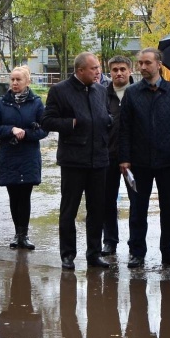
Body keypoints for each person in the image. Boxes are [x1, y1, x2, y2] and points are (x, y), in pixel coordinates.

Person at [119, 47, 170, 268]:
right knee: (138, 208)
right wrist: (124, 158)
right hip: (139, 162)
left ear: (159, 64)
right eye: (140, 63)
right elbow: (124, 128)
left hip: (166, 160)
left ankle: (168, 251)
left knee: (167, 208)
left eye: (147, 63)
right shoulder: (132, 93)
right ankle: (137, 252)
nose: (143, 67)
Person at [41, 52, 112, 271]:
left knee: (97, 209)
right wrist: (71, 123)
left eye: (98, 68)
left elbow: (107, 114)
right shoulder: (60, 90)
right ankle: (68, 255)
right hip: (73, 160)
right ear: (80, 71)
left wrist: (107, 120)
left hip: (99, 158)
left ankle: (94, 254)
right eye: (94, 68)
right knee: (69, 209)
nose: (98, 71)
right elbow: (46, 120)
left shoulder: (101, 90)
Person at [0, 66, 48, 249]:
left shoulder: (36, 103)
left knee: (25, 195)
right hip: (9, 155)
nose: (15, 83)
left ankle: (24, 234)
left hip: (28, 155)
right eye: (12, 80)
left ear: (27, 82)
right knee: (13, 195)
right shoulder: (2, 103)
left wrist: (26, 133)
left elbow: (44, 129)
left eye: (18, 80)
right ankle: (17, 233)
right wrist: (11, 130)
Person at [102, 55, 136, 256]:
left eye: (123, 69)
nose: (119, 73)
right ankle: (110, 242)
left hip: (134, 158)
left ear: (130, 71)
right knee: (107, 201)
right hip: (108, 155)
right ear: (110, 72)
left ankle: (135, 244)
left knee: (136, 202)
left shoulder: (138, 93)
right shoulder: (102, 94)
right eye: (115, 70)